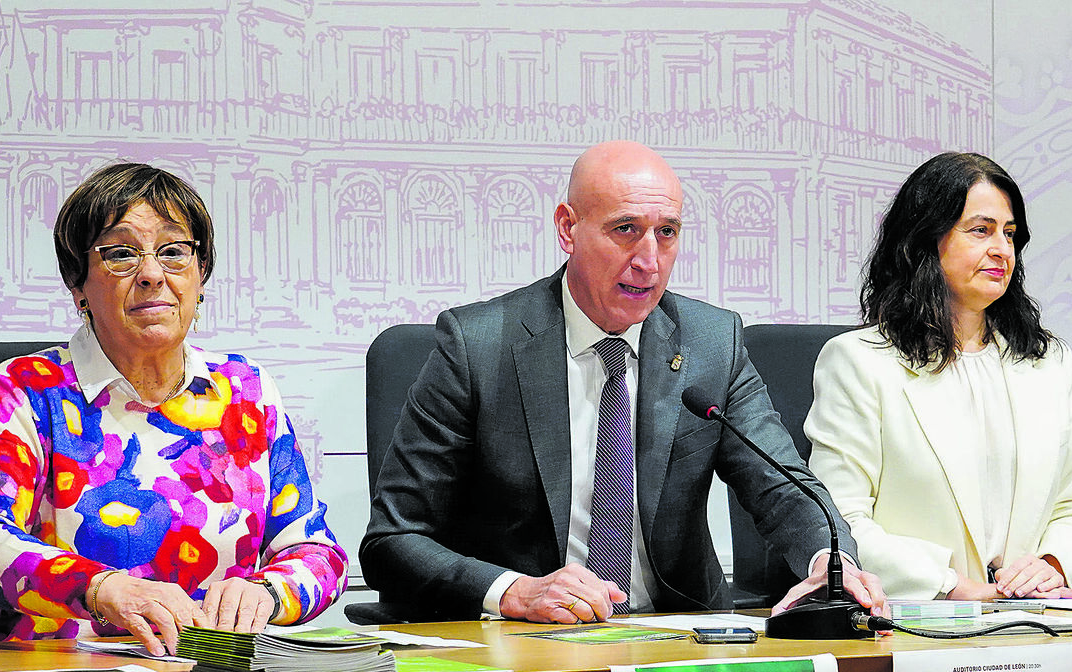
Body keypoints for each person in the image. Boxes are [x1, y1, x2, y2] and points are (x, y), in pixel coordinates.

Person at [360, 140, 884, 622]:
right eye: (625, 229)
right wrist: (514, 591)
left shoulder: (710, 343)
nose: (649, 261)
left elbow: (785, 488)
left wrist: (829, 561)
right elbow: (393, 539)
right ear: (568, 228)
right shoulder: (477, 347)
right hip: (528, 644)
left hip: (676, 641)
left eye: (667, 232)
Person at [0, 162, 348, 655]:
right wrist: (101, 589)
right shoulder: (28, 388)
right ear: (78, 286)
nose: (153, 274)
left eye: (175, 252)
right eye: (120, 254)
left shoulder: (247, 389)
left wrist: (266, 592)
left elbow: (318, 552)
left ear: (201, 278)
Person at [802, 152, 1072, 601]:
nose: (1002, 249)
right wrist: (950, 587)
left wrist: (1053, 566)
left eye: (1010, 233)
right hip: (917, 623)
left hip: (1034, 620)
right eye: (980, 230)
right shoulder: (858, 363)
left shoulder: (1047, 361)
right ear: (925, 240)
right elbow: (840, 523)